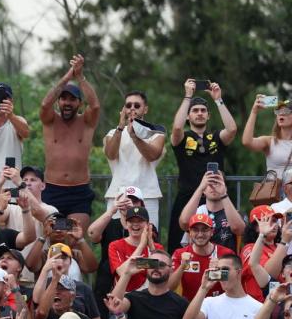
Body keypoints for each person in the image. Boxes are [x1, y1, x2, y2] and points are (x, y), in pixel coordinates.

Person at [167, 80, 237, 253]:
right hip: (187, 199)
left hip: (216, 199)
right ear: (187, 116)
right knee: (179, 248)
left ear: (208, 115)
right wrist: (187, 96)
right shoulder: (182, 138)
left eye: (203, 110)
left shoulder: (215, 137)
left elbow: (232, 129)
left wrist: (218, 100)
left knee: (222, 246)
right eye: (195, 110)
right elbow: (176, 128)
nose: (199, 113)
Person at [38, 54, 100, 231]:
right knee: (54, 237)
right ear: (58, 101)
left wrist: (79, 76)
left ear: (80, 103)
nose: (67, 103)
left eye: (72, 99)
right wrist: (67, 77)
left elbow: (95, 106)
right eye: (64, 98)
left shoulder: (86, 122)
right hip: (52, 191)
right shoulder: (50, 120)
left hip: (78, 193)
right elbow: (44, 105)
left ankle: (76, 257)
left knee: (73, 237)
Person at [103, 91, 166, 225]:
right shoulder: (112, 133)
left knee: (150, 237)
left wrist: (135, 137)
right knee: (114, 238)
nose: (132, 108)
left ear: (145, 109)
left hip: (147, 195)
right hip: (118, 194)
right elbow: (110, 154)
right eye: (128, 105)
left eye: (137, 105)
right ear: (123, 109)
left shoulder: (156, 133)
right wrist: (120, 127)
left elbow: (152, 155)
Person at [171, 213, 236, 302]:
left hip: (218, 307)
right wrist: (182, 267)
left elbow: (235, 284)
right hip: (190, 307)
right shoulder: (180, 254)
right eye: (195, 230)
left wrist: (219, 271)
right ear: (190, 232)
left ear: (212, 232)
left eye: (205, 230)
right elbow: (170, 287)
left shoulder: (226, 254)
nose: (200, 234)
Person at [177, 171, 245, 254]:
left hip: (226, 262)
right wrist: (200, 188)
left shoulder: (235, 213)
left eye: (217, 182)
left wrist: (223, 194)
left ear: (225, 187)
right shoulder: (196, 213)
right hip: (199, 262)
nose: (213, 187)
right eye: (209, 183)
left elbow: (239, 229)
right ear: (204, 190)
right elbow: (184, 223)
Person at [106, 196, 163, 292]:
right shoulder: (115, 245)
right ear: (126, 224)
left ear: (148, 225)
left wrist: (151, 246)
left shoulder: (157, 247)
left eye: (140, 221)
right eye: (131, 221)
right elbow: (121, 272)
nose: (135, 224)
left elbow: (161, 269)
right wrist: (141, 246)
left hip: (149, 296)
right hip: (124, 296)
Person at [242, 95, 292, 176]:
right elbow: (247, 142)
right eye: (278, 111)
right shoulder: (269, 141)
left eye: (286, 111)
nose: (281, 114)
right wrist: (254, 111)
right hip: (275, 187)